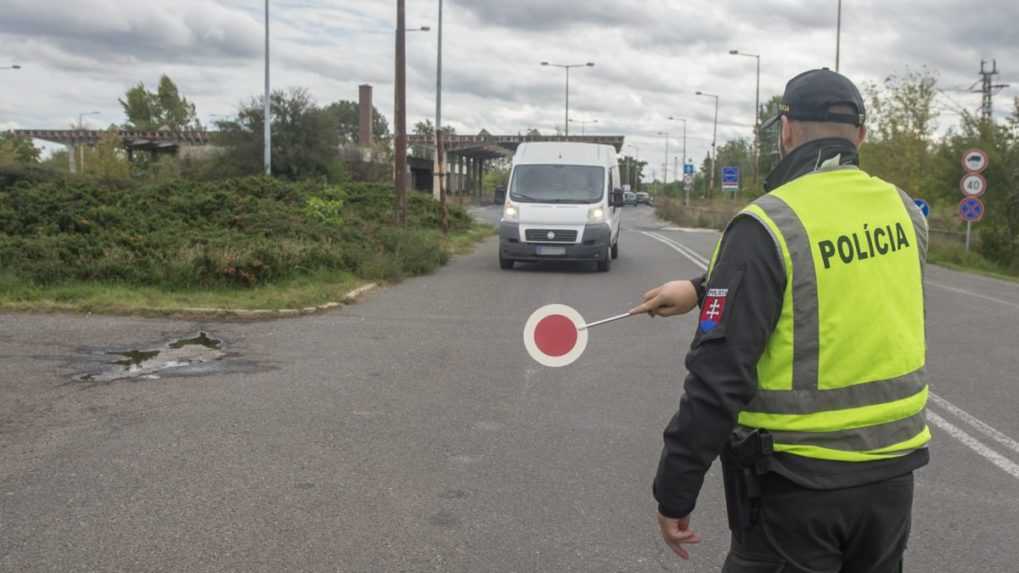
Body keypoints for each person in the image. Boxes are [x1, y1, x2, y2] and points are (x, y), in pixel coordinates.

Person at [632, 69, 930, 572]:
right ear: (861, 135)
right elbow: (837, 273)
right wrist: (703, 287)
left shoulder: (767, 223)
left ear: (785, 131)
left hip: (795, 484)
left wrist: (674, 492)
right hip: (892, 479)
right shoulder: (904, 212)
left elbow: (718, 378)